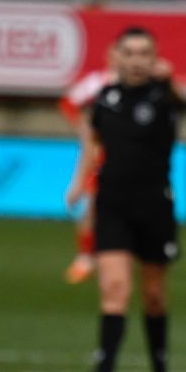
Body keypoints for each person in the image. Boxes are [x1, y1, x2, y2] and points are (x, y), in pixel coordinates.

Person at [66, 28, 182, 372]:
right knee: (114, 289)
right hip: (113, 204)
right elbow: (93, 145)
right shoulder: (105, 98)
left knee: (153, 296)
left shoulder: (164, 96)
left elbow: (180, 102)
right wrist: (80, 184)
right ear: (115, 56)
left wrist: (170, 80)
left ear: (154, 59)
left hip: (154, 206)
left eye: (144, 53)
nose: (136, 60)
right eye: (129, 53)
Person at [60, 48, 118, 285]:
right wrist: (82, 127)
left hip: (131, 159)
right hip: (103, 156)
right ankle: (85, 259)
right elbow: (68, 103)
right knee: (91, 210)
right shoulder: (98, 83)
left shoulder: (139, 86)